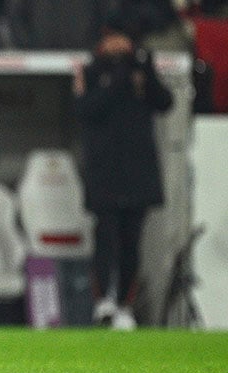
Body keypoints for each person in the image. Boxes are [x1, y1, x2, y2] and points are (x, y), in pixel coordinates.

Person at [73, 28, 172, 329]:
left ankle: (126, 305)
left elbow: (165, 102)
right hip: (104, 171)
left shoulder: (142, 69)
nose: (117, 44)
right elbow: (85, 109)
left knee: (132, 242)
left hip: (138, 171)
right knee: (105, 238)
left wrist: (147, 74)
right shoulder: (91, 71)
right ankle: (103, 301)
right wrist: (118, 79)